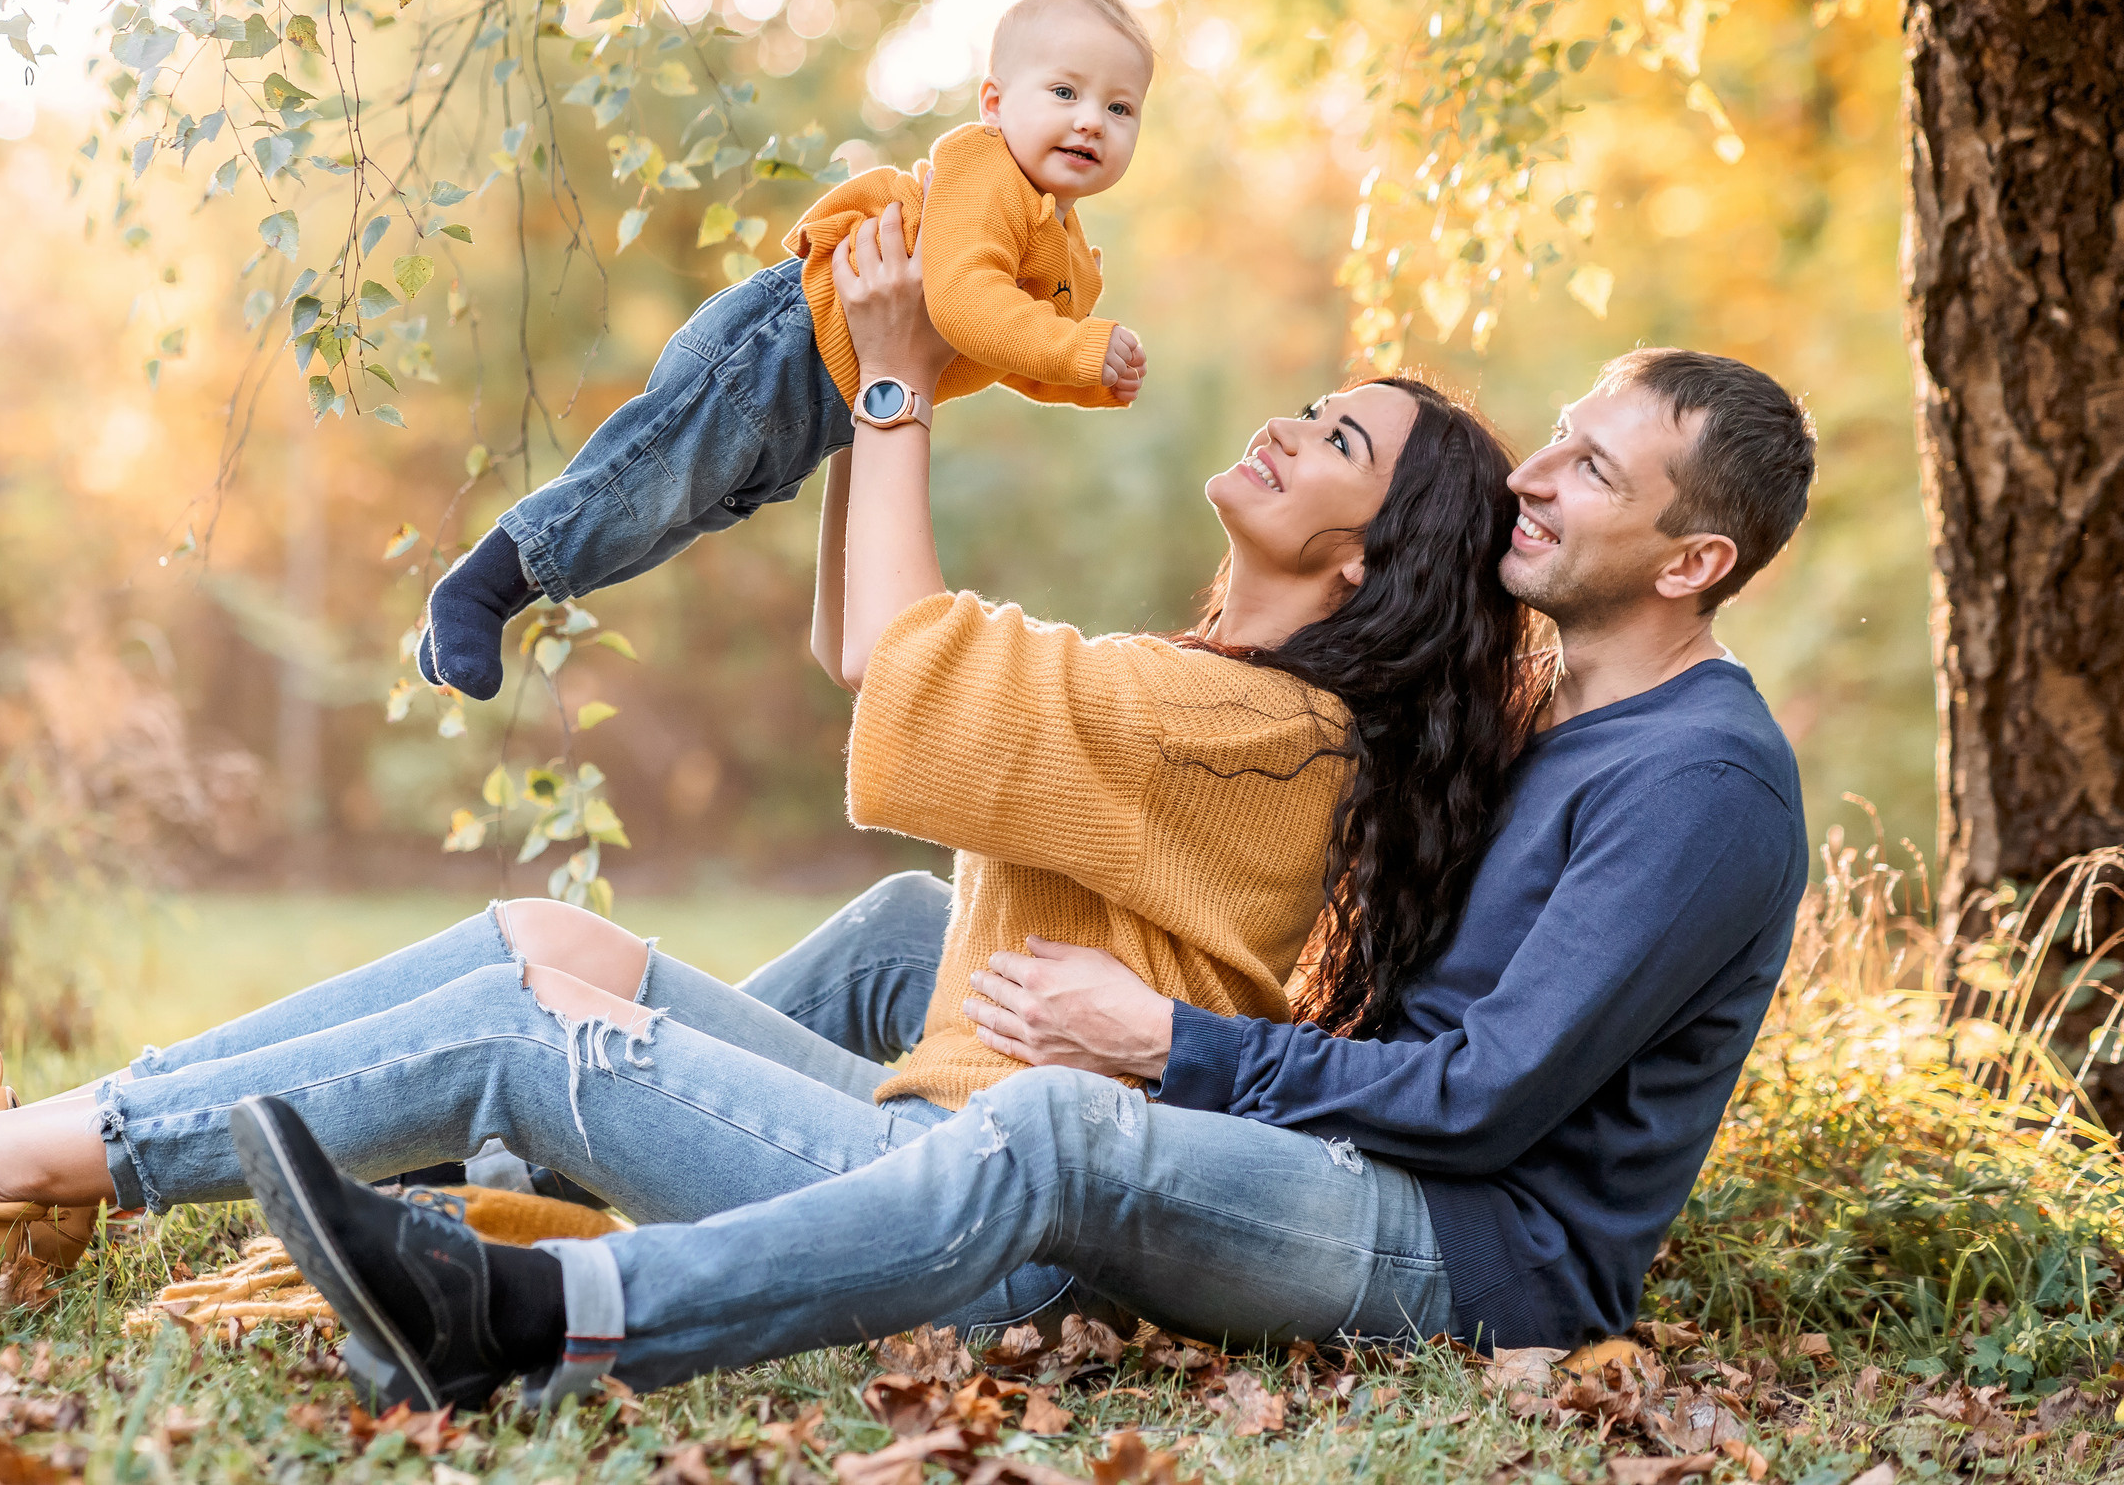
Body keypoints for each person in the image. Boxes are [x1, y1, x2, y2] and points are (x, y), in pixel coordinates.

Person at [0, 210, 1529, 1406]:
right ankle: (66, 1153)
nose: (1289, 425)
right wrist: (850, 399)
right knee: (548, 942)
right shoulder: (1231, 698)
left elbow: (907, 666)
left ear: (1371, 554)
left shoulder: (1263, 733)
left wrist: (895, 388)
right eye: (1309, 402)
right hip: (924, 1140)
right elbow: (879, 655)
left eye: (1337, 441)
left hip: (966, 1229)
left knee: (524, 1026)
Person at [229, 228, 1819, 1406]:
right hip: (1351, 1160)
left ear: (1692, 562)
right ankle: (526, 1178)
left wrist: (1166, 1046)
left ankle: (534, 1306)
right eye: (1555, 438)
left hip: (1476, 1250)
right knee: (916, 933)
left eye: (1593, 472)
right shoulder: (1557, 720)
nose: (1537, 479)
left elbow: (1479, 1102)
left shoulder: (1700, 785)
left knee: (1056, 1119)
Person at [416, 0, 1156, 700]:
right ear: (994, 105)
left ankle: (498, 603)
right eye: (1065, 93)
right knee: (642, 482)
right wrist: (1079, 350)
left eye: (1119, 107)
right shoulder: (984, 172)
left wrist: (1086, 378)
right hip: (782, 344)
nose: (1091, 119)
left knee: (657, 523)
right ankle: (476, 592)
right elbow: (967, 305)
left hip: (822, 409)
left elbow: (1005, 349)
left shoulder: (1063, 245)